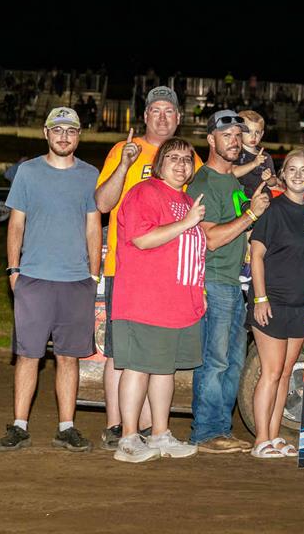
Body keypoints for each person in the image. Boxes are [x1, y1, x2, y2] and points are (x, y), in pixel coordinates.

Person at [94, 85, 201, 450]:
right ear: (144, 116)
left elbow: (200, 211)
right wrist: (125, 162)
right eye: (155, 110)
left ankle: (154, 431)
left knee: (157, 361)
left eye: (168, 111)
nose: (161, 116)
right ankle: (119, 428)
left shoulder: (190, 159)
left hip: (168, 282)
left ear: (178, 118)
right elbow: (103, 204)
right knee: (122, 355)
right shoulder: (127, 152)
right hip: (128, 270)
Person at [0, 107, 100, 453]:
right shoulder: (28, 172)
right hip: (35, 278)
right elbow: (16, 224)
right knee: (29, 355)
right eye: (58, 131)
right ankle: (19, 425)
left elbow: (93, 226)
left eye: (71, 131)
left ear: (79, 135)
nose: (64, 137)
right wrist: (14, 270)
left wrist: (93, 274)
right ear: (46, 133)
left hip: (75, 280)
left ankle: (66, 426)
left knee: (69, 356)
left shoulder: (89, 175)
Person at [111, 138, 207, 463]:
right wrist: (186, 223)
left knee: (165, 371)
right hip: (145, 300)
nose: (181, 164)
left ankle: (160, 434)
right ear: (159, 165)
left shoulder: (185, 199)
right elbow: (142, 238)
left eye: (187, 159)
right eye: (173, 158)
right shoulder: (145, 193)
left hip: (177, 303)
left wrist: (197, 292)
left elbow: (190, 252)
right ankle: (127, 439)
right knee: (139, 368)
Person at [186, 109, 270, 453]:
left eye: (239, 136)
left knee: (233, 362)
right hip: (214, 280)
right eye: (227, 136)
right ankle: (205, 432)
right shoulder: (204, 182)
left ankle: (220, 428)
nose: (235, 142)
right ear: (210, 140)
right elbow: (209, 238)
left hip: (234, 283)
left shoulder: (232, 180)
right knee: (215, 360)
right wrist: (251, 213)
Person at [246, 150, 304, 458]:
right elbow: (257, 255)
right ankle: (260, 439)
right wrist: (260, 298)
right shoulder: (272, 209)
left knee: (286, 370)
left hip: (301, 304)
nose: (297, 174)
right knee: (271, 370)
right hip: (273, 302)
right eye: (292, 169)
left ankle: (275, 435)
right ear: (283, 174)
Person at [233, 110, 277, 194]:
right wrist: (254, 163)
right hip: (242, 200)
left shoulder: (265, 156)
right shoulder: (235, 152)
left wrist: (269, 179)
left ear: (262, 134)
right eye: (248, 131)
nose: (253, 136)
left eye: (257, 132)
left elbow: (274, 182)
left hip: (263, 198)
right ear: (239, 131)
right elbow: (233, 173)